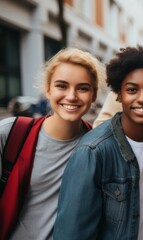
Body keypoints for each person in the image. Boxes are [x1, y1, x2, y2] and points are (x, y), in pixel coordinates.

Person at [53, 46, 143, 239]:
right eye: (132, 90)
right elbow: (72, 233)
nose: (142, 99)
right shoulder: (92, 151)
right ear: (118, 94)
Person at [0, 47, 105, 240]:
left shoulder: (101, 146)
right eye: (62, 86)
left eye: (82, 88)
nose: (72, 96)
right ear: (48, 90)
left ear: (94, 94)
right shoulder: (9, 133)